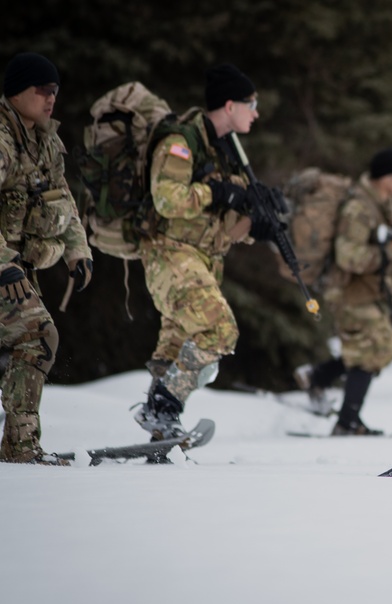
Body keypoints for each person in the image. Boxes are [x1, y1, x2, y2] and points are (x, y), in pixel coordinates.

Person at [133, 63, 270, 440]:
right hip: (169, 254)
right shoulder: (181, 142)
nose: (255, 112)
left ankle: (161, 426)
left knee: (174, 346)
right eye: (251, 103)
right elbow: (167, 199)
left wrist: (257, 224)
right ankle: (162, 406)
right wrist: (219, 192)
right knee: (219, 330)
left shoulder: (225, 150)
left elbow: (221, 225)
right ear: (230, 105)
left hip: (198, 259)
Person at [0, 53, 93, 464]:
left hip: (18, 268)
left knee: (33, 340)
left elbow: (63, 198)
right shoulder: (2, 139)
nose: (50, 98)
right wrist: (3, 262)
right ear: (16, 92)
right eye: (42, 90)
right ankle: (20, 449)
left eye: (55, 90)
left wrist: (78, 250)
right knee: (37, 336)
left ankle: (19, 446)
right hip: (4, 268)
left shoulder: (46, 141)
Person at [293, 148, 392, 435]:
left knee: (379, 348)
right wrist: (389, 252)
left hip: (367, 290)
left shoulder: (381, 203)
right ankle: (347, 422)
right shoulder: (359, 207)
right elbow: (348, 256)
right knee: (369, 351)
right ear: (385, 176)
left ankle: (318, 377)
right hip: (347, 291)